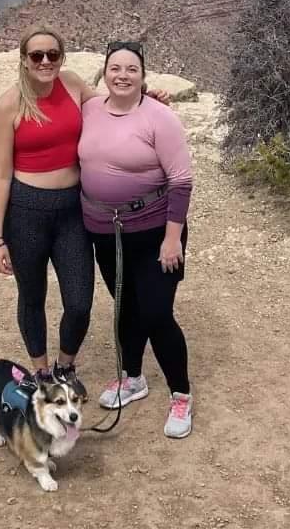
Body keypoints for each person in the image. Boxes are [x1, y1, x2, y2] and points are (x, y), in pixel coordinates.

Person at [78, 39, 195, 439]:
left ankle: (181, 393)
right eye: (115, 68)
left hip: (155, 232)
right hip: (106, 234)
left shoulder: (159, 116)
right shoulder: (90, 109)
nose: (122, 75)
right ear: (104, 73)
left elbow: (181, 181)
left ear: (143, 77)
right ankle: (133, 378)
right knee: (125, 306)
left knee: (157, 312)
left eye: (131, 69)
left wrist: (173, 238)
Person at [0, 26, 94, 393]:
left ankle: (66, 366)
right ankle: (42, 373)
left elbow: (110, 111)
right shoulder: (9, 105)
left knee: (80, 301)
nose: (46, 61)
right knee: (32, 296)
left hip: (72, 210)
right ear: (24, 60)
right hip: (26, 212)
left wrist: (146, 96)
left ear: (62, 57)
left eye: (53, 54)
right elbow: (1, 174)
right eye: (37, 56)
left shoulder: (75, 85)